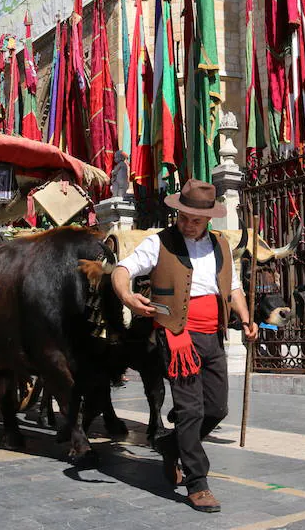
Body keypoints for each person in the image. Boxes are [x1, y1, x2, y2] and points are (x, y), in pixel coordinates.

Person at [111, 179, 258, 514]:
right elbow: (122, 270)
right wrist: (127, 296)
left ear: (209, 218)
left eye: (196, 218)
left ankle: (171, 443)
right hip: (177, 336)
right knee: (190, 410)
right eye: (184, 216)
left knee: (216, 409)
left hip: (213, 336)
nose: (188, 223)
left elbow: (233, 288)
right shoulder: (158, 243)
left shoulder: (221, 245)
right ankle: (197, 482)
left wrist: (246, 319)